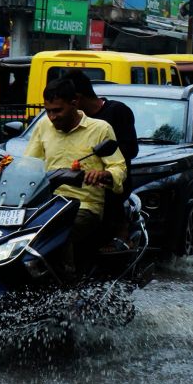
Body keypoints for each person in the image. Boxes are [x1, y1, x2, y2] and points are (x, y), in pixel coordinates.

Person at [22, 78, 126, 275]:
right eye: (48, 111)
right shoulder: (43, 126)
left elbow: (118, 167)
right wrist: (6, 169)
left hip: (84, 206)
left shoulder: (100, 129)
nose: (52, 117)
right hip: (46, 203)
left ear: (74, 104)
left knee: (57, 233)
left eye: (58, 110)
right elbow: (30, 163)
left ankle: (68, 283)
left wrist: (104, 174)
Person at [65, 70, 138, 246]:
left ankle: (120, 236)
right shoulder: (67, 121)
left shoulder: (117, 112)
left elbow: (130, 148)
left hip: (108, 187)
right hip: (75, 185)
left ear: (77, 98)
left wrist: (102, 170)